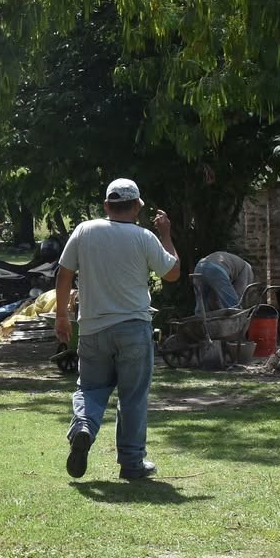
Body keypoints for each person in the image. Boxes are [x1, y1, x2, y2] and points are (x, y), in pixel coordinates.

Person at [55, 178, 181, 481]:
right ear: (137, 206)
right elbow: (173, 273)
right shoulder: (145, 237)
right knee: (133, 396)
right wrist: (166, 235)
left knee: (90, 389)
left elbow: (64, 273)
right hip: (133, 329)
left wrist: (61, 316)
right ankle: (132, 463)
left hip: (92, 329)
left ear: (106, 206)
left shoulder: (84, 230)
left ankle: (84, 426)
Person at [191, 250, 255, 316]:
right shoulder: (247, 268)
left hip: (199, 266)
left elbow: (213, 299)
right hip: (215, 268)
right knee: (233, 305)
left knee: (201, 307)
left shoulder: (235, 262)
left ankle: (201, 321)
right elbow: (239, 294)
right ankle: (237, 322)